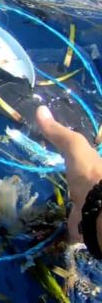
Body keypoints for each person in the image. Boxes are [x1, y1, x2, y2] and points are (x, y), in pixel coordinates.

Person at [36, 105, 102, 252]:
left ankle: (75, 237)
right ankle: (76, 237)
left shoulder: (89, 177)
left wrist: (91, 183)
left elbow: (70, 143)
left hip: (91, 213)